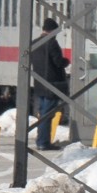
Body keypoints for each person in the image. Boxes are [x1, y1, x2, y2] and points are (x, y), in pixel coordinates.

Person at [30, 18, 69, 150]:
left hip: (40, 84)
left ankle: (41, 140)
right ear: (53, 31)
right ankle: (43, 142)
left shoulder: (34, 43)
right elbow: (58, 62)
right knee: (47, 114)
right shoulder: (51, 44)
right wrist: (66, 61)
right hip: (52, 85)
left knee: (43, 113)